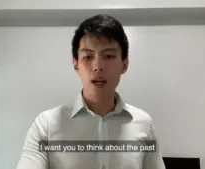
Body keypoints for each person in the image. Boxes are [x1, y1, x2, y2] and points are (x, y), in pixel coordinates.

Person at [16, 14, 166, 169]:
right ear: (76, 64)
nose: (98, 66)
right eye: (88, 56)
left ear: (124, 64)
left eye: (108, 56)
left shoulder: (144, 124)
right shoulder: (46, 125)